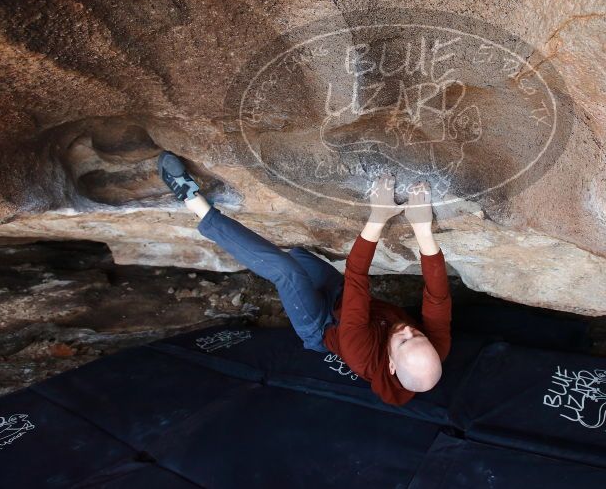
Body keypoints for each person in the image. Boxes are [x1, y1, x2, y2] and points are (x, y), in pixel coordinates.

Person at [157, 151, 451, 405]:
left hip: (321, 325)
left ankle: (192, 199)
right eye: (418, 333)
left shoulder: (360, 353)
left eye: (403, 342)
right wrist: (422, 229)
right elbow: (437, 296)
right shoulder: (435, 349)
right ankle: (254, 247)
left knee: (286, 271)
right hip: (341, 298)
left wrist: (378, 217)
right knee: (298, 255)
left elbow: (358, 277)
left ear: (390, 364)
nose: (406, 330)